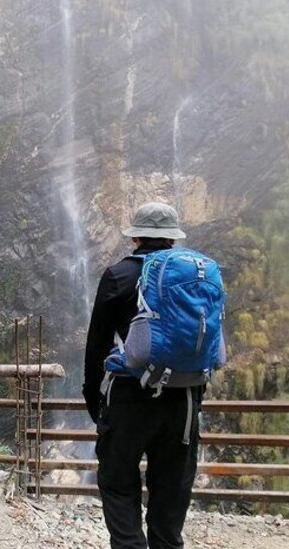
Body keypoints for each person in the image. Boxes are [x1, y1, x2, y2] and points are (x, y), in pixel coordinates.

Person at [83, 202, 199, 549]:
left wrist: (95, 403)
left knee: (118, 484)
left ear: (135, 237)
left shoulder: (119, 275)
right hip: (184, 399)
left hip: (129, 397)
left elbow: (97, 346)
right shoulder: (195, 275)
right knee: (171, 491)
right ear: (172, 240)